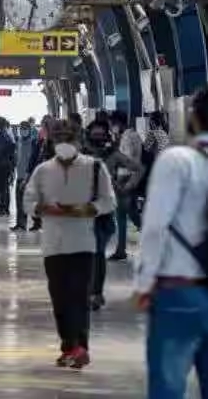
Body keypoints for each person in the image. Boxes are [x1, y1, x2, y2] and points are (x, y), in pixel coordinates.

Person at [134, 88, 208, 398]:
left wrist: (144, 282)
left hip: (182, 290)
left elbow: (155, 226)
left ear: (193, 117)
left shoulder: (178, 160)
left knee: (168, 385)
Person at [24, 120, 116, 369]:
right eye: (59, 139)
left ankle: (80, 347)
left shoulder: (95, 167)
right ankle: (68, 346)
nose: (63, 143)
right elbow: (28, 201)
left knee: (79, 296)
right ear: (53, 142)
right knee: (60, 299)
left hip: (84, 243)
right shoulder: (43, 170)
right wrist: (42, 208)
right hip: (53, 245)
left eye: (68, 138)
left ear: (78, 141)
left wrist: (89, 209)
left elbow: (109, 201)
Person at [84, 120, 143, 310]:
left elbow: (139, 169)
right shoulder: (79, 155)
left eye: (102, 135)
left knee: (98, 252)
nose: (98, 139)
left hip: (103, 211)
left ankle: (95, 293)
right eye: (95, 135)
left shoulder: (113, 155)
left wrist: (126, 186)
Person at [109, 110, 143, 260]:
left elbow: (127, 159)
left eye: (112, 124)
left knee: (127, 214)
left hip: (126, 178)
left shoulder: (128, 137)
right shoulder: (131, 135)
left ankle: (121, 249)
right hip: (128, 178)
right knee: (125, 214)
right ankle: (120, 249)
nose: (111, 128)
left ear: (118, 123)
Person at [11, 121, 37, 231]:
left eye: (25, 128)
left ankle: (37, 222)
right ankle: (20, 224)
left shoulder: (33, 143)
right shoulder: (19, 141)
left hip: (30, 177)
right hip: (20, 175)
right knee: (19, 200)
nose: (23, 131)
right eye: (22, 128)